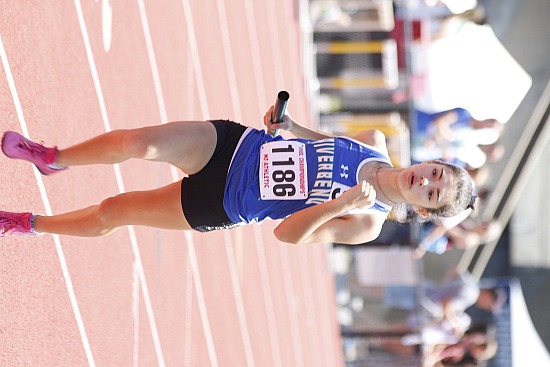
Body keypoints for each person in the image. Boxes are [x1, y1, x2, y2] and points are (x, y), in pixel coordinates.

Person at [0, 106, 477, 244]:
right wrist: (288, 126)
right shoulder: (375, 141)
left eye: (434, 193)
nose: (427, 180)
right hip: (237, 145)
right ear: (430, 160)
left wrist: (338, 205)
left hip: (226, 201)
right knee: (135, 143)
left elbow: (286, 236)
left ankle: (27, 224)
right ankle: (52, 156)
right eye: (436, 172)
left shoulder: (367, 221)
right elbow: (319, 142)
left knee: (115, 210)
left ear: (421, 208)